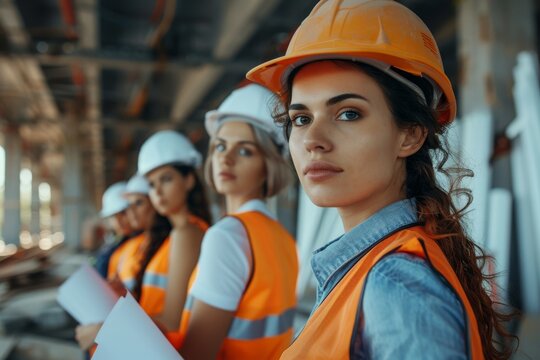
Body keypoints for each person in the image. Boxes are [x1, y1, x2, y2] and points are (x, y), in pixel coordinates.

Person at [246, 1, 515, 359]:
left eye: (348, 113)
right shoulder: (371, 266)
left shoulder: (396, 282)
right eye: (300, 118)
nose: (313, 140)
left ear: (410, 135)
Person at [178, 84, 299, 359]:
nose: (226, 158)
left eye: (245, 151)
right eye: (220, 146)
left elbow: (195, 354)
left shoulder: (228, 235)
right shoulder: (284, 239)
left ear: (268, 165)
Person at [136, 130, 211, 333]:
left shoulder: (187, 234)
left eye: (166, 179)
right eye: (152, 184)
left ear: (188, 180)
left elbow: (172, 322)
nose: (157, 192)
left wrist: (107, 328)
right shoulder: (175, 234)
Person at [93, 182, 132, 280]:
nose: (118, 221)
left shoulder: (146, 243)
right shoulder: (113, 247)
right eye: (113, 216)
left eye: (123, 213)